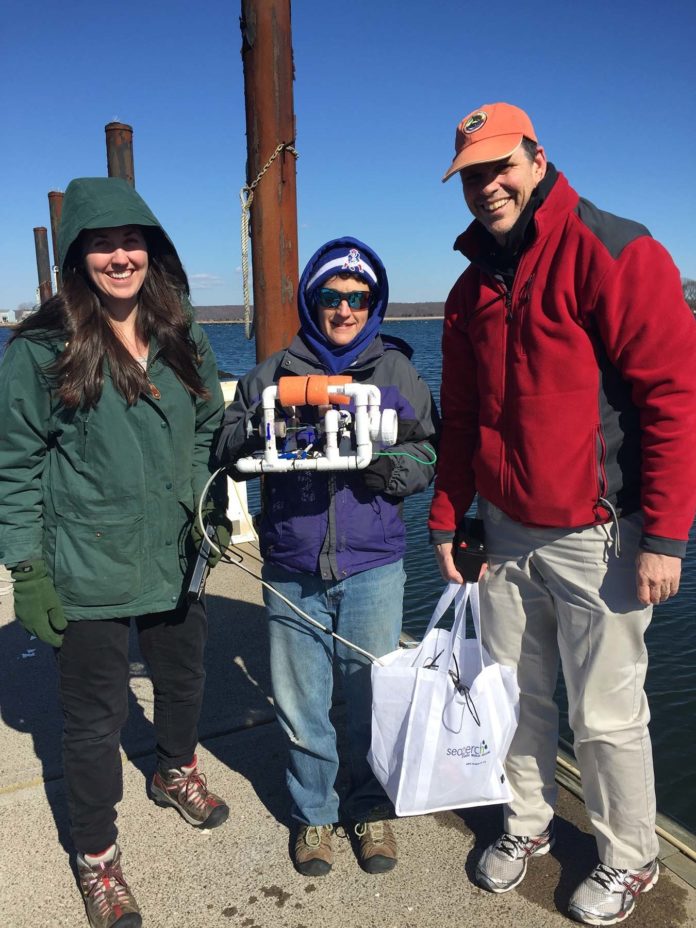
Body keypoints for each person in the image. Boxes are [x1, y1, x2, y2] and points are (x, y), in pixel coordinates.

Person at [428, 102, 696, 925]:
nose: (489, 186)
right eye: (473, 175)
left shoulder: (615, 249)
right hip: (505, 533)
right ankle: (528, 825)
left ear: (537, 158)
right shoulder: (469, 288)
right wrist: (449, 516)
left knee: (609, 711)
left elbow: (673, 398)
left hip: (598, 534)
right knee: (516, 696)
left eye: (501, 166)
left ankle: (631, 858)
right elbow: (464, 415)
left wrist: (665, 535)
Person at [0, 177, 232, 928]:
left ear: (154, 252)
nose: (120, 255)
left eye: (132, 241)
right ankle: (97, 859)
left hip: (174, 553)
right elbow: (15, 465)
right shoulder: (40, 349)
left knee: (184, 679)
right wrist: (28, 571)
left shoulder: (181, 331)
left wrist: (208, 505)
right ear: (78, 257)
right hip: (87, 567)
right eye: (102, 243)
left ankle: (176, 770)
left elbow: (207, 428)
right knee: (94, 722)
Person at [215, 237, 438, 877]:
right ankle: (313, 815)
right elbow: (226, 444)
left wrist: (389, 472)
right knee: (300, 702)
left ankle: (368, 808)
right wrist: (263, 425)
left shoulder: (396, 373)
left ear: (374, 303)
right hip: (291, 565)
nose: (344, 309)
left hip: (373, 565)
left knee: (371, 697)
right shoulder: (272, 372)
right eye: (331, 297)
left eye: (357, 298)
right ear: (313, 301)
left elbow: (429, 449)